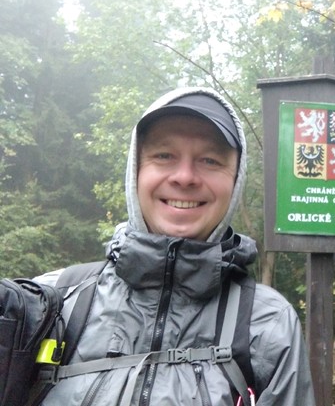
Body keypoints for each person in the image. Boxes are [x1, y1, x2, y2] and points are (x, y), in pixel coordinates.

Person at [32, 87, 316, 405]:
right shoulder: (51, 304)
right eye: (164, 156)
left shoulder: (268, 323)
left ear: (236, 180)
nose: (184, 177)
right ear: (136, 171)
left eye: (210, 160)